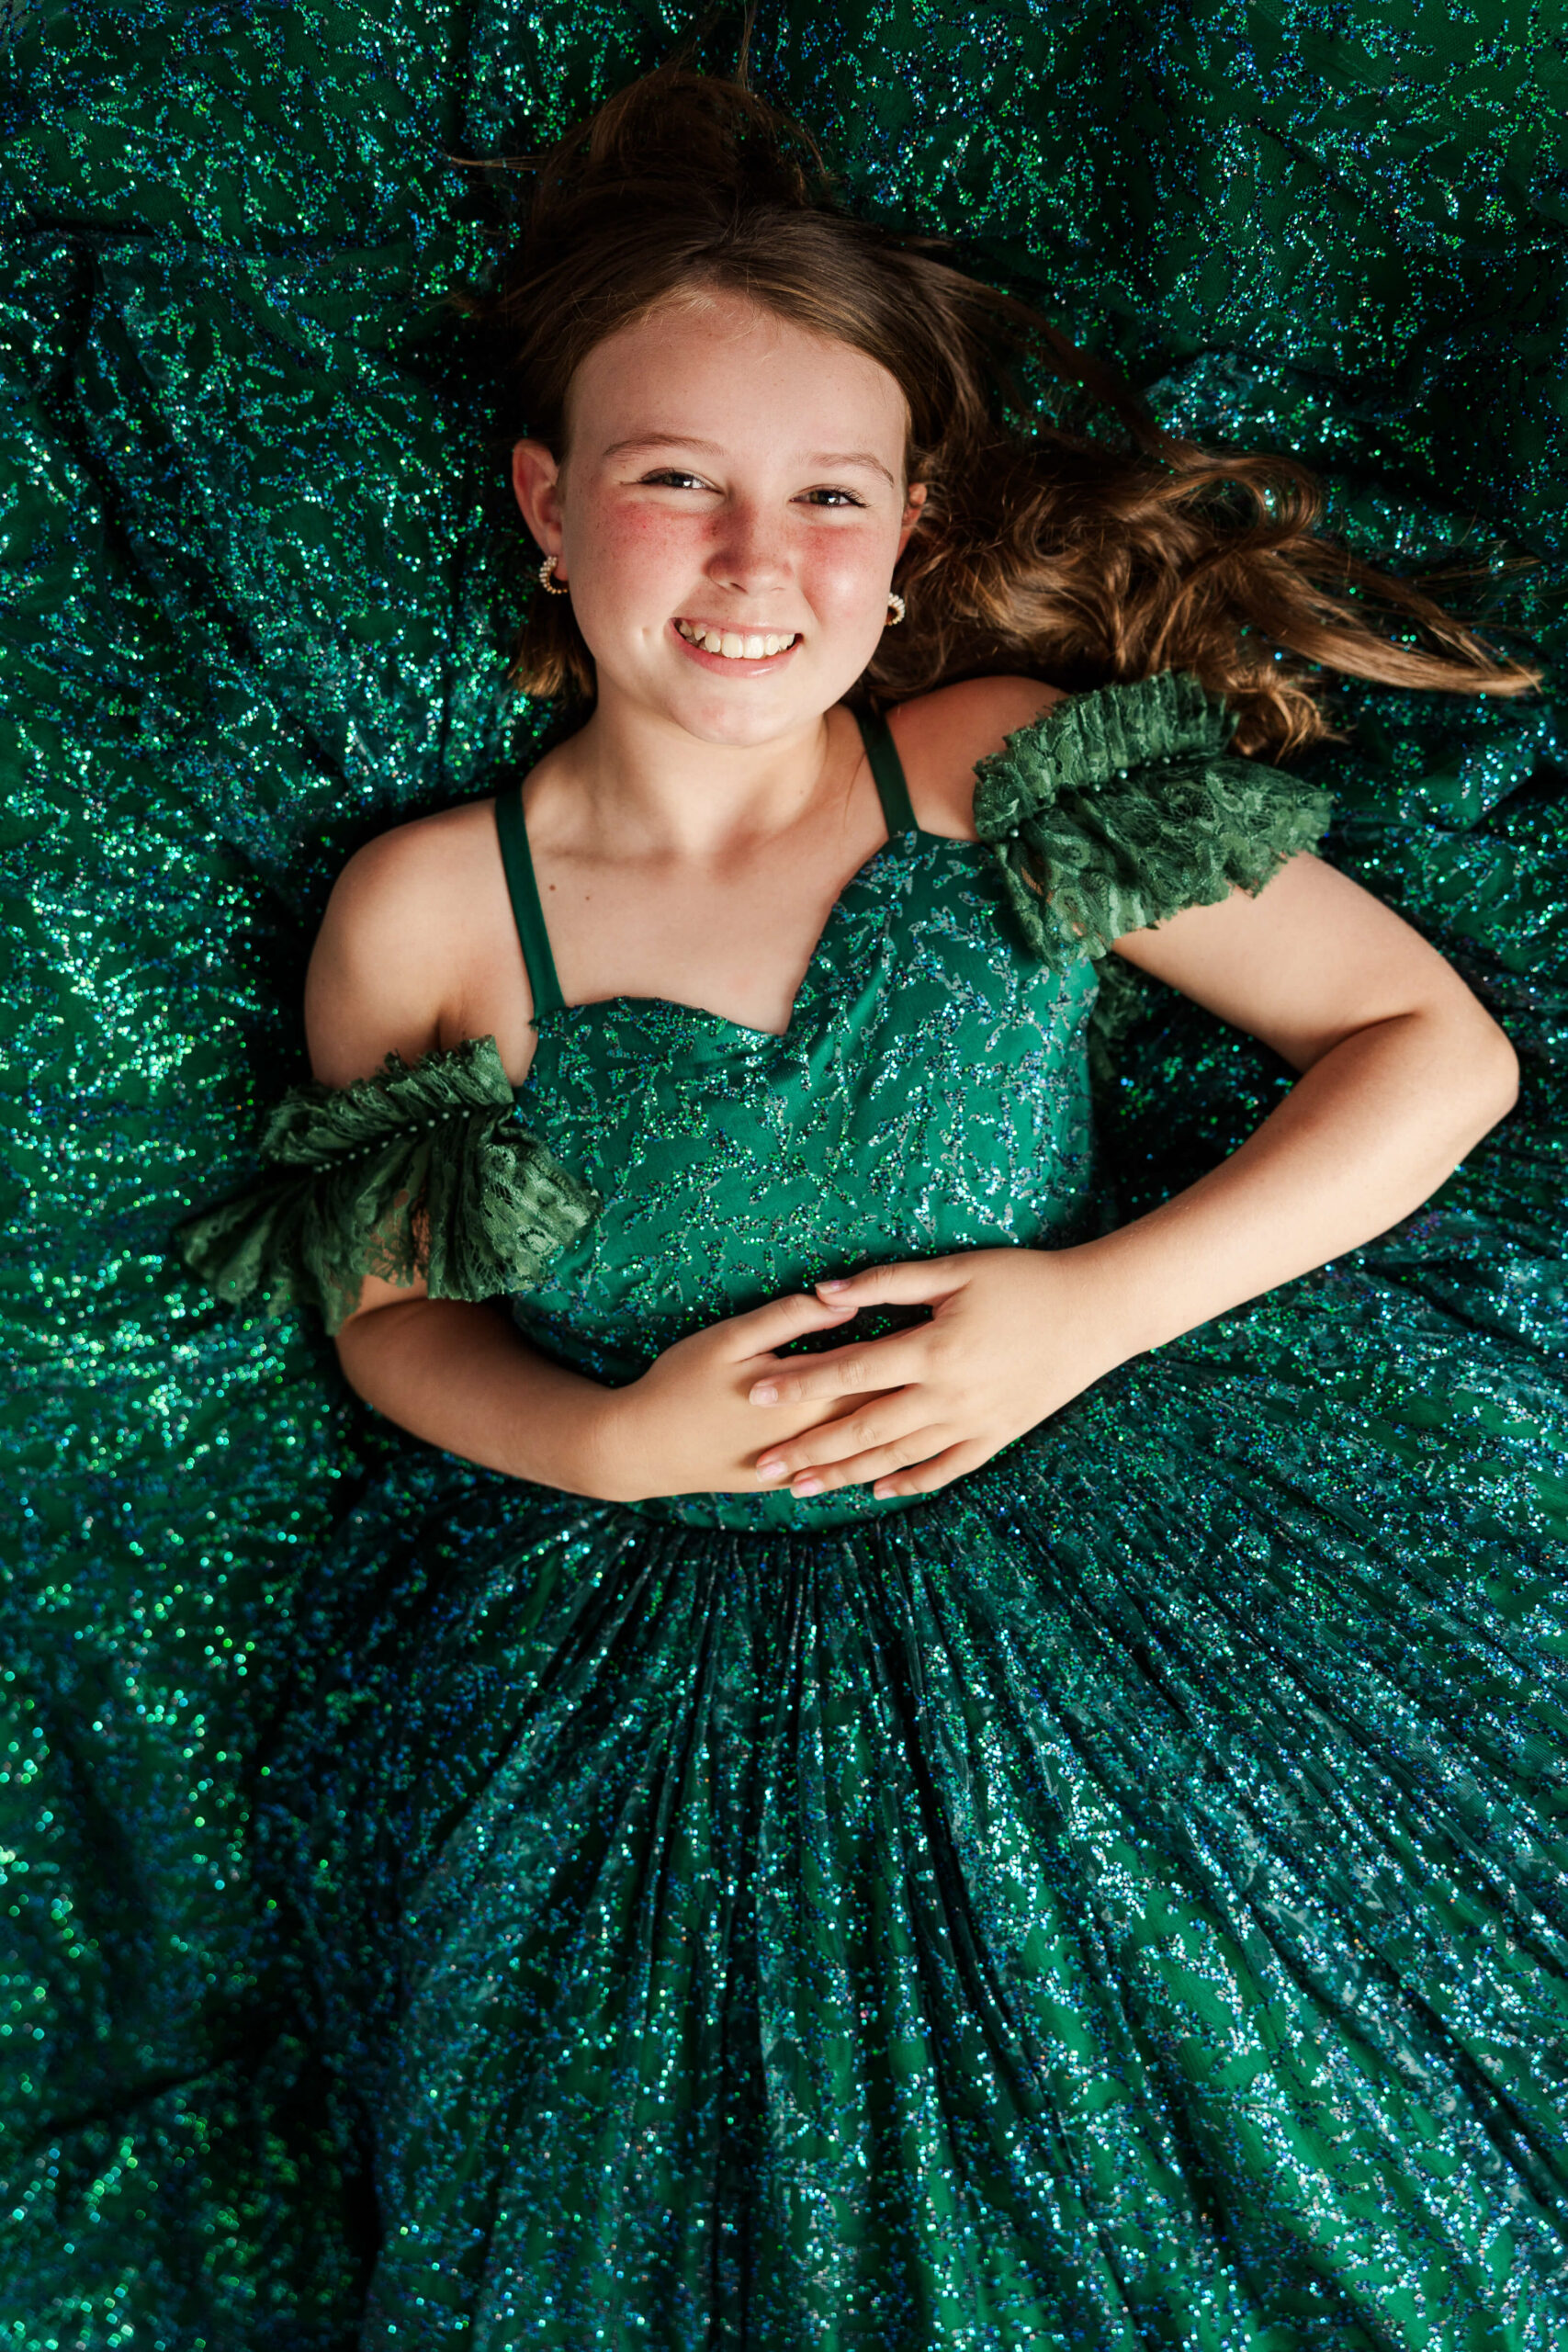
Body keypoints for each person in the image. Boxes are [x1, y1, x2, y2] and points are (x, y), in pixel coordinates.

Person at [180, 68, 1568, 2348]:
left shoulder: (987, 761)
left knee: (1243, 2150)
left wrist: (1084, 1311)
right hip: (654, 1682)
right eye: (672, 484)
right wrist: (608, 1440)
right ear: (544, 504)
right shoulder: (430, 913)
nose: (755, 565)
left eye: (825, 496)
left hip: (1105, 1568)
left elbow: (1433, 1053)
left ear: (906, 532)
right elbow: (393, 1320)